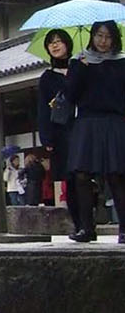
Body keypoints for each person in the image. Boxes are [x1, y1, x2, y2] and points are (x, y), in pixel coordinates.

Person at [65, 20, 125, 243]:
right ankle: (86, 228)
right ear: (92, 36)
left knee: (116, 176)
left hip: (114, 122)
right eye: (99, 35)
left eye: (108, 36)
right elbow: (70, 95)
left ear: (114, 39)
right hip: (87, 121)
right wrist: (80, 68)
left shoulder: (121, 62)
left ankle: (124, 229)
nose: (103, 41)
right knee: (81, 176)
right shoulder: (79, 61)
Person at [37, 29, 79, 230]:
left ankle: (89, 221)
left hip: (84, 126)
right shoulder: (47, 77)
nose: (55, 45)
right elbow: (42, 109)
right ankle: (79, 223)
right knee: (70, 177)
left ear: (68, 44)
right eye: (51, 43)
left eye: (59, 41)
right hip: (61, 131)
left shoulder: (79, 69)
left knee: (87, 176)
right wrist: (47, 139)